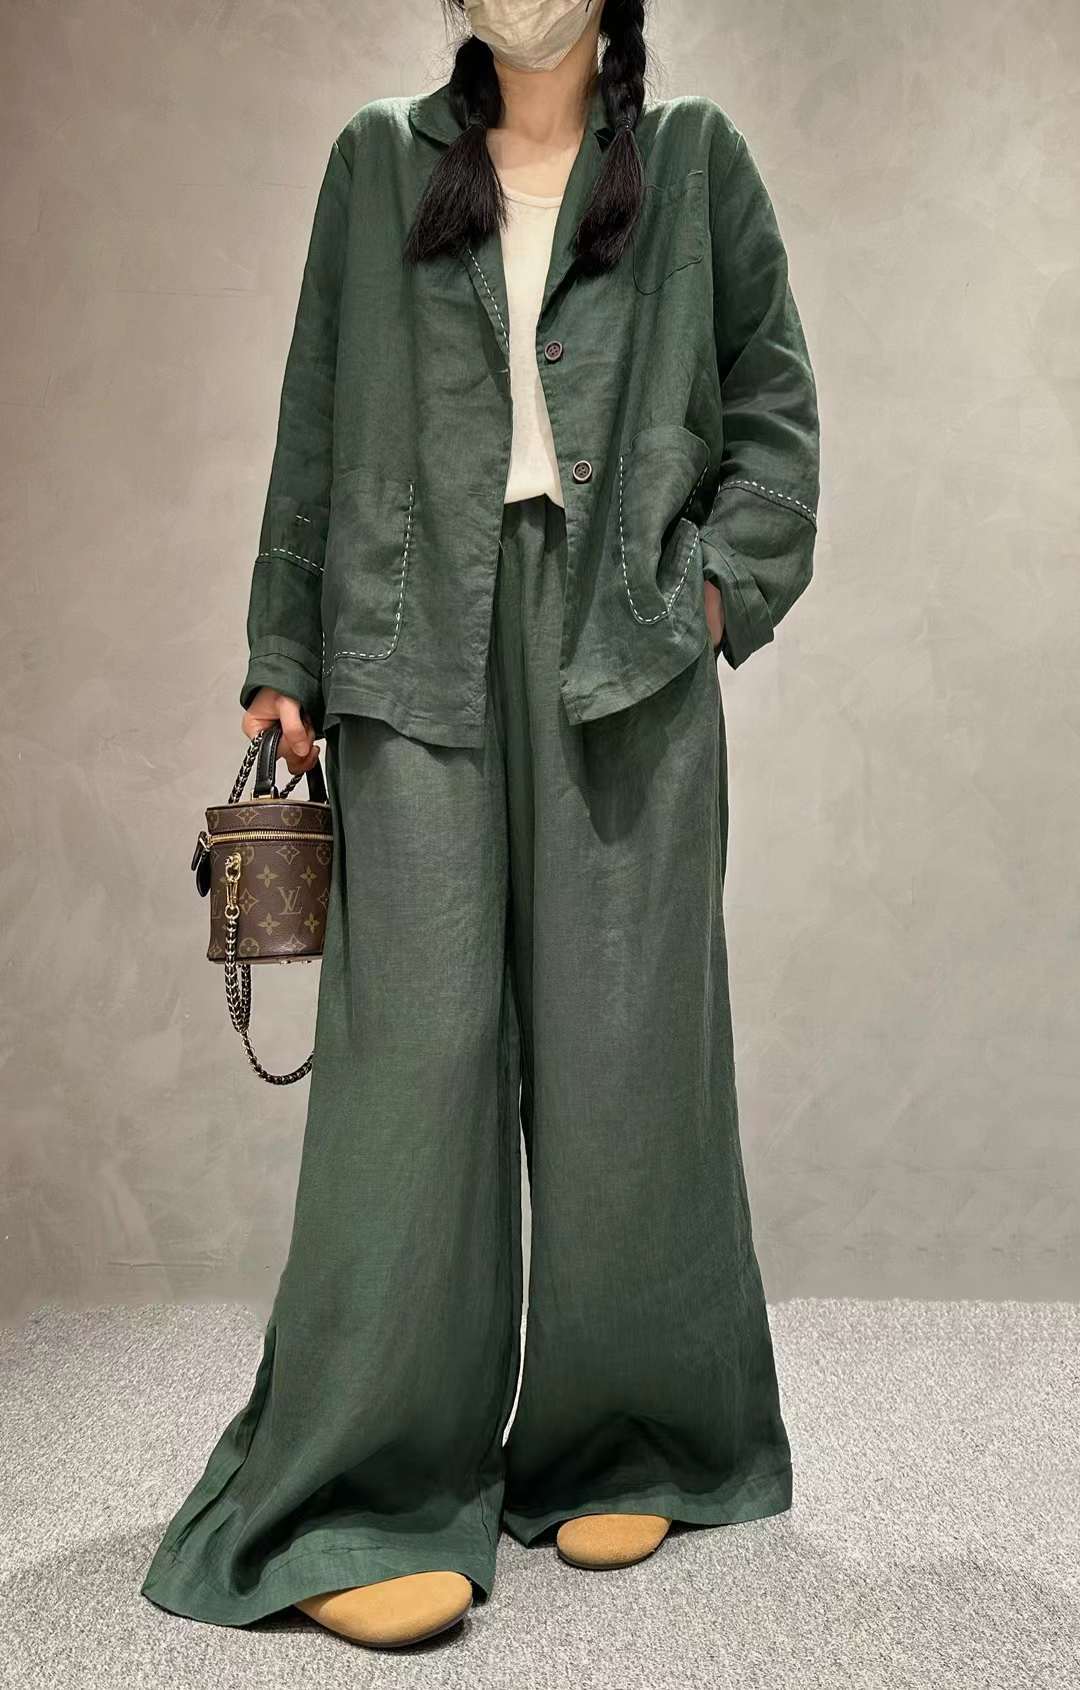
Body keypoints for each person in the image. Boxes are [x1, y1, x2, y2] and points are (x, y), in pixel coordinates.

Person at [140, 0, 820, 1652]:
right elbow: (314, 416)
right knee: (412, 1068)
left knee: (628, 1052)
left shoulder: (696, 166)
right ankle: (361, 1484)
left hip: (626, 648)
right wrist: (284, 655)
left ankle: (630, 1437)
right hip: (411, 634)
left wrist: (711, 596)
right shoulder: (378, 166)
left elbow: (777, 417)